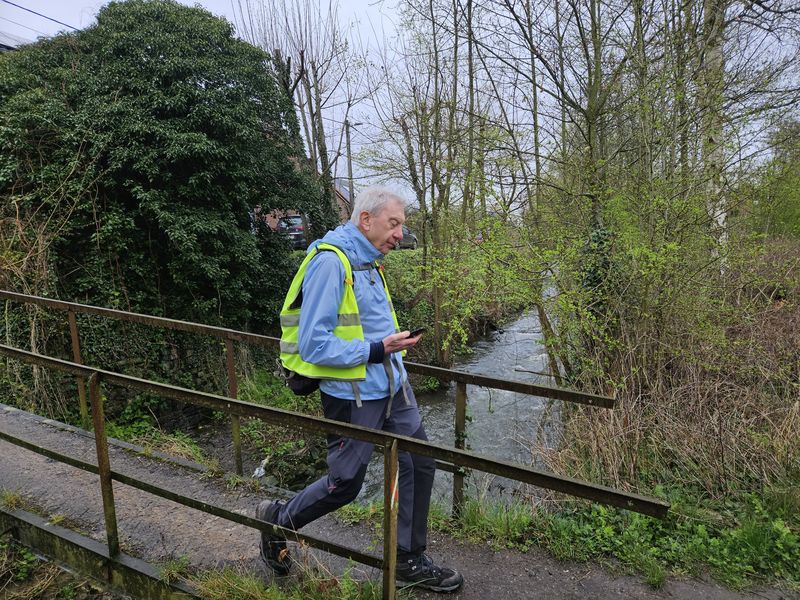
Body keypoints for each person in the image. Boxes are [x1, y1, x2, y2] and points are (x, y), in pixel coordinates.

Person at [256, 186, 464, 593]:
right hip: (352, 395)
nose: (401, 233)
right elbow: (314, 343)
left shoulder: (372, 262)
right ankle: (277, 520)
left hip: (392, 385)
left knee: (421, 464)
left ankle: (407, 560)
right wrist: (376, 349)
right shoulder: (331, 263)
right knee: (346, 483)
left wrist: (392, 349)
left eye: (402, 225)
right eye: (395, 223)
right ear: (366, 220)